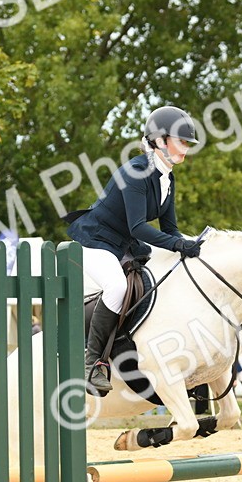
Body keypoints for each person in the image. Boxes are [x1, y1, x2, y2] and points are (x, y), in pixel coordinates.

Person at [65, 105, 207, 395]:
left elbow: (169, 229)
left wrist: (189, 247)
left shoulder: (167, 177)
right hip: (96, 240)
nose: (185, 149)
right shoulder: (136, 172)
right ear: (158, 141)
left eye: (187, 142)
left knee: (171, 267)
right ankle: (94, 363)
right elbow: (138, 227)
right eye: (180, 141)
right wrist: (179, 244)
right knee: (117, 287)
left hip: (125, 245)